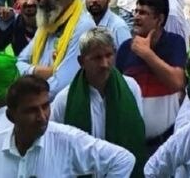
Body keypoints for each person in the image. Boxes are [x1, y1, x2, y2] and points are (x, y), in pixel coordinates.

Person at [0, 74, 136, 176]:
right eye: (32, 110)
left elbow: (123, 160)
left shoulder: (67, 140)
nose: (42, 117)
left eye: (45, 106)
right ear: (12, 116)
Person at [52, 27, 146, 174]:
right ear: (81, 61)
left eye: (109, 55)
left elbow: (137, 134)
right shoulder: (64, 100)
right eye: (97, 58)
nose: (104, 64)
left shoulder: (131, 88)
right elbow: (55, 147)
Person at [115, 0, 186, 153]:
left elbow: (177, 82)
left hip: (166, 143)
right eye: (136, 11)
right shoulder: (126, 48)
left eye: (144, 13)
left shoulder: (174, 43)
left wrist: (147, 55)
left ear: (159, 19)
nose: (136, 17)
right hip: (132, 145)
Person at [17, 0, 97, 100]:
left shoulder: (83, 26)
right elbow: (18, 63)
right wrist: (36, 70)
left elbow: (62, 83)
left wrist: (28, 99)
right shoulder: (48, 23)